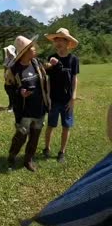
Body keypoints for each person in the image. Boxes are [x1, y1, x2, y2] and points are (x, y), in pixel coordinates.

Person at [5, 35, 51, 172]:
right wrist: (20, 92)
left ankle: (28, 159)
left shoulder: (36, 63)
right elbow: (8, 88)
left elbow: (46, 71)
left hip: (40, 108)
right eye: (32, 48)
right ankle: (12, 155)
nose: (35, 49)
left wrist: (54, 64)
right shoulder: (13, 69)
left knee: (35, 135)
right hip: (24, 110)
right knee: (21, 135)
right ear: (24, 52)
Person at [42, 28, 80, 163]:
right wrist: (47, 97)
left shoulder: (73, 59)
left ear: (67, 42)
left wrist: (73, 96)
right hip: (54, 99)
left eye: (61, 39)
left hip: (67, 100)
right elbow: (48, 79)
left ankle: (62, 152)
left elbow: (74, 78)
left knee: (66, 126)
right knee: (51, 125)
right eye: (55, 39)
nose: (57, 42)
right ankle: (46, 148)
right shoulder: (51, 58)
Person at [3, 45, 17, 112]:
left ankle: (12, 106)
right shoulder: (7, 59)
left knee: (12, 91)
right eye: (7, 51)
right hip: (7, 76)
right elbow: (5, 67)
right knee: (7, 89)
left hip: (12, 76)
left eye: (8, 51)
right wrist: (4, 74)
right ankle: (10, 104)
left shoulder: (15, 59)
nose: (7, 52)